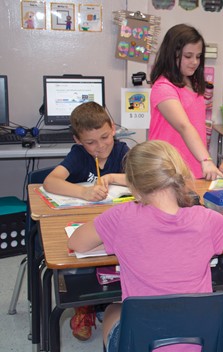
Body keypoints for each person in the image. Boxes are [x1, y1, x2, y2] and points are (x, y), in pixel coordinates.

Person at [67, 140, 223, 351]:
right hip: (200, 342)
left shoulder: (121, 217)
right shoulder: (205, 219)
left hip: (142, 344)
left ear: (133, 186)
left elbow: (76, 243)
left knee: (112, 311)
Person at [43, 101, 129, 341]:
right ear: (78, 140)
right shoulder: (79, 155)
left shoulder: (123, 151)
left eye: (105, 137)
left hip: (113, 223)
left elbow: (142, 180)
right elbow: (51, 182)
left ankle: (110, 299)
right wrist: (84, 192)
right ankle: (85, 306)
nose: (100, 146)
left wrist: (112, 177)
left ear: (112, 127)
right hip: (81, 224)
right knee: (77, 256)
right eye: (91, 142)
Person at [149, 23, 223, 181]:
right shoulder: (163, 87)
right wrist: (206, 159)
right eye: (188, 56)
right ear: (172, 54)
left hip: (193, 168)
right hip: (167, 170)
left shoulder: (193, 85)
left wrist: (203, 161)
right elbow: (184, 126)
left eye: (198, 56)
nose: (195, 62)